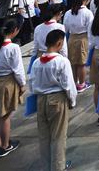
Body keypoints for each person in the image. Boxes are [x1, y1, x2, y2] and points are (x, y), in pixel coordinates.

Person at [29, 28, 77, 171]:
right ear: (59, 43)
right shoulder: (62, 61)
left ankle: (46, 166)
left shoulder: (37, 62)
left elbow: (31, 83)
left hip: (41, 100)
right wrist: (72, 101)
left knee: (44, 136)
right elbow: (68, 85)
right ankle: (58, 166)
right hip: (57, 99)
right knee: (58, 137)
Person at [0, 18, 25, 159]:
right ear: (14, 31)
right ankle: (5, 146)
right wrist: (22, 84)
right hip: (8, 83)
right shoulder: (13, 48)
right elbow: (18, 70)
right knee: (5, 116)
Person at [64, 0, 93, 92]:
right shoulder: (87, 13)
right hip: (83, 38)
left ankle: (74, 82)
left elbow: (66, 28)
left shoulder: (68, 12)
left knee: (73, 62)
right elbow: (90, 29)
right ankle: (82, 84)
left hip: (71, 38)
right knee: (81, 63)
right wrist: (90, 42)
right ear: (86, 0)